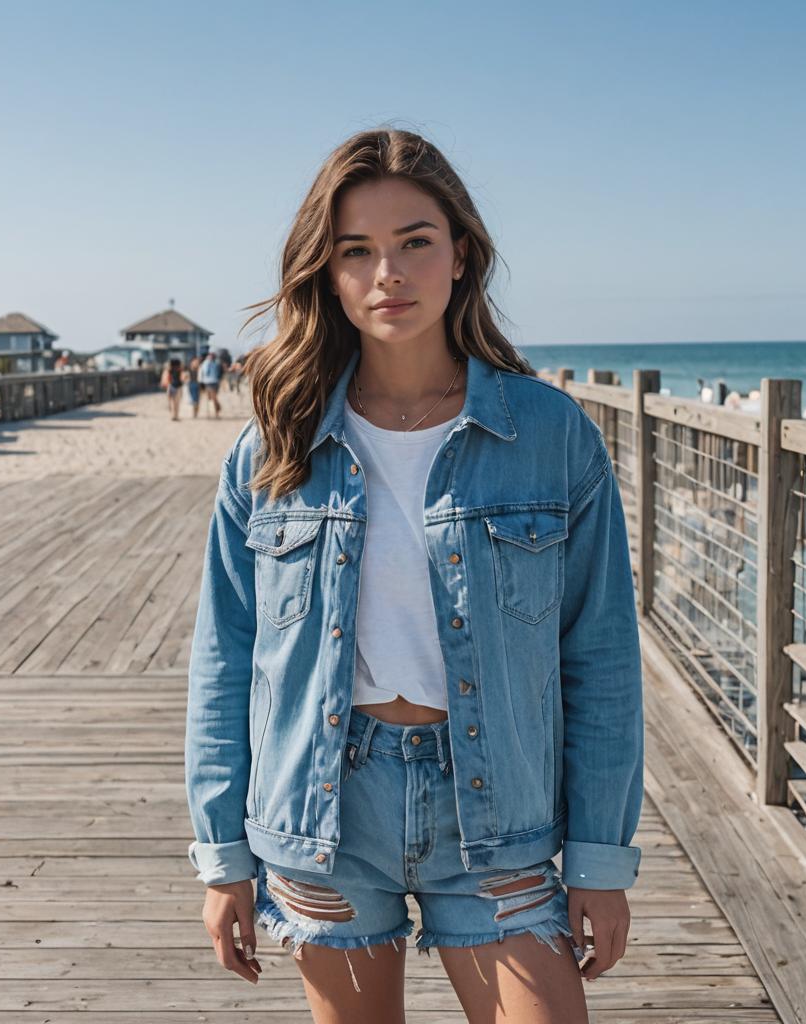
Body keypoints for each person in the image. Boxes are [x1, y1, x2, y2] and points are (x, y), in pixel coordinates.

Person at [184, 128, 643, 1023]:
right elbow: (225, 661)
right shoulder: (274, 448)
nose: (386, 272)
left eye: (414, 242)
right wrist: (222, 857)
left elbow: (602, 661)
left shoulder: (550, 437)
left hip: (499, 813)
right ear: (329, 271)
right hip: (325, 814)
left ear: (461, 254)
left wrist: (598, 858)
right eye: (357, 251)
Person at [198, 351, 223, 418]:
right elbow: (202, 373)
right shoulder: (205, 364)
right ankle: (214, 412)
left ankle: (215, 412)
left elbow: (219, 372)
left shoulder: (216, 363)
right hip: (208, 382)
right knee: (210, 398)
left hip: (214, 382)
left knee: (212, 398)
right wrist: (201, 382)